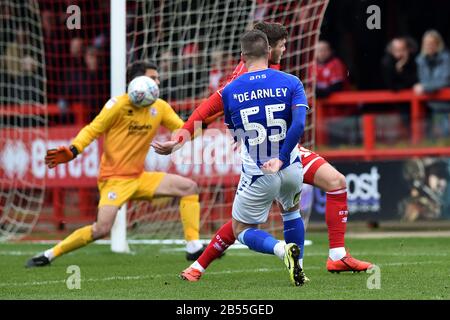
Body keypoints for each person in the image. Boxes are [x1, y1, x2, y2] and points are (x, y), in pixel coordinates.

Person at [152, 22, 372, 281]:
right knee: (259, 219)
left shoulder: (241, 84)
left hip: (271, 153)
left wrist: (181, 140)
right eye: (281, 45)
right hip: (282, 153)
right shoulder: (276, 80)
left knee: (334, 183)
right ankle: (200, 265)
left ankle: (333, 257)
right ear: (268, 48)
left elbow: (206, 112)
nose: (285, 49)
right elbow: (208, 114)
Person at [25, 62, 204, 268]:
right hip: (114, 180)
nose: (158, 81)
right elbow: (92, 130)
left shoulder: (159, 107)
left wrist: (202, 123)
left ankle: (193, 247)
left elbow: (185, 130)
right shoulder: (117, 105)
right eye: (153, 77)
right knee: (101, 229)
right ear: (138, 80)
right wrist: (73, 150)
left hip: (139, 177)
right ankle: (49, 254)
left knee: (189, 187)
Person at [223, 29, 307, 286]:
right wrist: (282, 158)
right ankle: (299, 267)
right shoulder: (292, 82)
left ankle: (283, 251)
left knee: (241, 231)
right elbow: (299, 125)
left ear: (242, 56)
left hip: (260, 171)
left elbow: (233, 128)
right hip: (290, 166)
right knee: (292, 213)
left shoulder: (230, 90)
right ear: (269, 53)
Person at [414, 30, 450, 139]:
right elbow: (421, 79)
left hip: (446, 105)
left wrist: (425, 87)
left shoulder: (446, 59)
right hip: (428, 105)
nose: (428, 46)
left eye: (431, 43)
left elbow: (445, 81)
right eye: (426, 43)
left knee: (446, 137)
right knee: (430, 139)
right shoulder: (420, 60)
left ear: (438, 44)